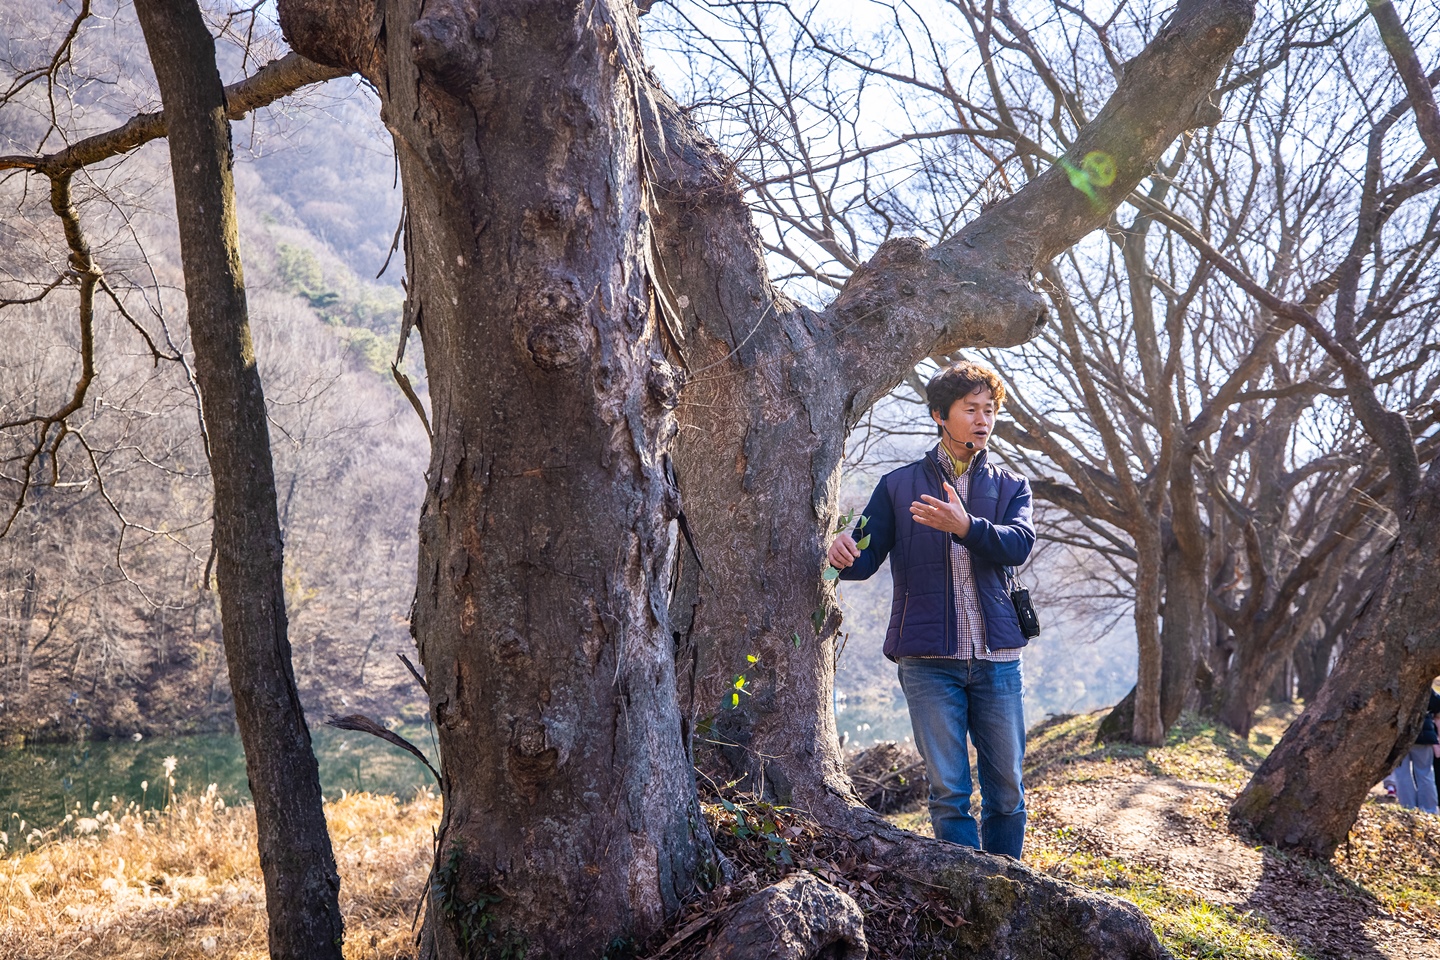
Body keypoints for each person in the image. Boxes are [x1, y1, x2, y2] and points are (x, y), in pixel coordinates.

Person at [828, 361, 1035, 858]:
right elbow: (864, 559)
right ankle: (969, 889)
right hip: (927, 662)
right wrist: (840, 553)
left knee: (1006, 790)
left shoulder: (1011, 486)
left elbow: (1018, 544)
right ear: (941, 414)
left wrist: (966, 527)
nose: (983, 419)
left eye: (990, 410)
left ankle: (1010, 885)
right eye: (972, 409)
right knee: (948, 793)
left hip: (998, 659)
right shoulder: (898, 486)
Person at [1394, 684, 1440, 814]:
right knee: (1425, 773)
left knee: (1402, 774)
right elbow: (1437, 704)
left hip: (1398, 735)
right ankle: (1429, 810)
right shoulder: (1422, 685)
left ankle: (1407, 809)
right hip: (1422, 734)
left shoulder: (1393, 686)